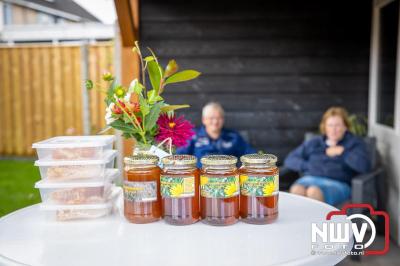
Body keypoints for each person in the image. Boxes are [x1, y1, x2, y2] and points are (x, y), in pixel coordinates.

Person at [284, 107, 371, 206]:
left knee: (313, 192)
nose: (333, 129)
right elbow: (290, 159)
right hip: (310, 178)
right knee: (297, 190)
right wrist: (308, 166)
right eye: (330, 125)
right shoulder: (315, 142)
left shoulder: (354, 143)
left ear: (345, 127)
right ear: (324, 127)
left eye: (338, 125)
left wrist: (343, 152)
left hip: (337, 183)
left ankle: (314, 221)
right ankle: (300, 221)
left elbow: (365, 166)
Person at [177, 102, 256, 167]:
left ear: (223, 119)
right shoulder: (193, 136)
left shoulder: (233, 137)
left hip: (227, 179)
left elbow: (251, 156)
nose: (215, 122)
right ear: (204, 120)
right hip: (200, 179)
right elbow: (179, 158)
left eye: (219, 118)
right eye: (211, 118)